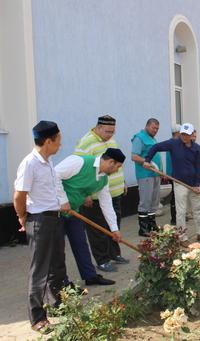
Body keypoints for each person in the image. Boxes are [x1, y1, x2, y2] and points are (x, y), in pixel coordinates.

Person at [13, 121, 66, 334]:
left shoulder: (48, 161)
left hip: (54, 218)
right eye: (58, 141)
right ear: (47, 141)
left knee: (57, 265)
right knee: (40, 271)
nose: (60, 145)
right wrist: (22, 216)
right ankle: (37, 318)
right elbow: (19, 195)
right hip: (39, 220)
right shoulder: (30, 163)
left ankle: (56, 303)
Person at [55, 149, 125, 286]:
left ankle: (90, 276)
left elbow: (107, 204)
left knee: (81, 243)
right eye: (118, 167)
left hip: (73, 211)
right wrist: (63, 200)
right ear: (111, 162)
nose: (117, 170)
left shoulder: (103, 179)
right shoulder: (80, 162)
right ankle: (62, 284)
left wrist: (114, 229)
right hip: (54, 211)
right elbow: (54, 174)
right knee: (57, 249)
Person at [74, 115, 128, 272]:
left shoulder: (111, 141)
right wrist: (85, 193)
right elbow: (80, 170)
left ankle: (114, 253)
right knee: (98, 229)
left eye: (113, 131)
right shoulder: (85, 143)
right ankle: (102, 259)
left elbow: (117, 162)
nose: (110, 135)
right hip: (96, 195)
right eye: (107, 131)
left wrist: (122, 181)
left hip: (114, 192)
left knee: (114, 223)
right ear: (98, 128)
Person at [144, 123, 200, 242]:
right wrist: (147, 160)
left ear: (192, 134)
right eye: (182, 134)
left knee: (198, 208)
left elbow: (197, 167)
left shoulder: (197, 148)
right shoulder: (173, 144)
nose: (184, 137)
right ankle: (182, 236)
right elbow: (155, 147)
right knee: (181, 211)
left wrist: (197, 184)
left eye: (187, 134)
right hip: (180, 183)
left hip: (194, 184)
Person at [131, 118, 162, 237]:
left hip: (155, 174)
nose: (155, 130)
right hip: (145, 175)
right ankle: (143, 228)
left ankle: (152, 225)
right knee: (146, 201)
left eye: (157, 129)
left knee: (154, 201)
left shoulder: (152, 139)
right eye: (154, 128)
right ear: (147, 126)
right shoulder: (139, 138)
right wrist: (147, 161)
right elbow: (134, 156)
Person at [165, 125, 181, 225]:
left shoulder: (173, 143)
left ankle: (177, 217)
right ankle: (174, 218)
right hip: (174, 174)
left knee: (177, 196)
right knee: (175, 197)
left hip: (173, 174)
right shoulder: (173, 144)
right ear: (177, 133)